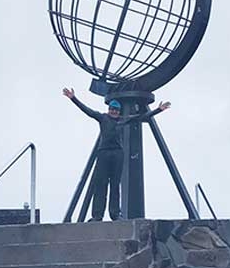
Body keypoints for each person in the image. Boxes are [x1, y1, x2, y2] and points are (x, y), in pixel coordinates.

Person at [63, 87, 171, 221]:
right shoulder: (102, 118)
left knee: (115, 185)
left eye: (116, 110)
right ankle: (97, 215)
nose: (113, 112)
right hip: (103, 153)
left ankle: (115, 214)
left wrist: (158, 110)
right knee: (100, 184)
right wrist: (73, 98)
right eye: (112, 109)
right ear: (109, 110)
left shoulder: (122, 119)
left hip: (117, 154)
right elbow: (87, 111)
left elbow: (141, 117)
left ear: (118, 111)